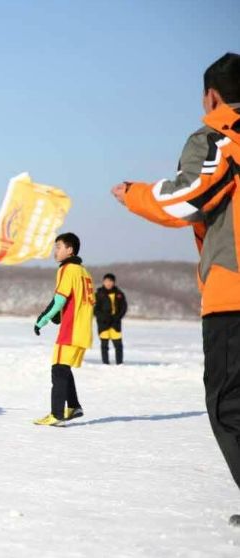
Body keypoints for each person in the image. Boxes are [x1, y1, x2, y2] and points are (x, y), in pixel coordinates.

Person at [111, 52, 240, 524]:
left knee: (229, 405)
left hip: (233, 297)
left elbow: (188, 198)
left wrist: (134, 193)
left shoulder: (221, 137)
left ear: (212, 96)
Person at [33, 233, 95, 427]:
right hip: (83, 329)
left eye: (59, 247)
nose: (55, 251)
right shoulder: (84, 272)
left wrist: (43, 319)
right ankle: (74, 406)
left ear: (70, 250)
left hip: (71, 329)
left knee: (58, 369)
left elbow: (60, 299)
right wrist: (59, 314)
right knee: (63, 367)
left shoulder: (67, 269)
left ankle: (57, 414)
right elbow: (73, 298)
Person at [94, 273, 127, 365]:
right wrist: (103, 317)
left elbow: (123, 307)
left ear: (114, 282)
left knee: (118, 345)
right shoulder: (98, 294)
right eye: (106, 281)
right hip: (103, 323)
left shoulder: (119, 294)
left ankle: (119, 363)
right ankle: (105, 363)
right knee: (104, 345)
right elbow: (95, 309)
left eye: (110, 281)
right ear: (103, 282)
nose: (108, 283)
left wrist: (118, 317)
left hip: (115, 323)